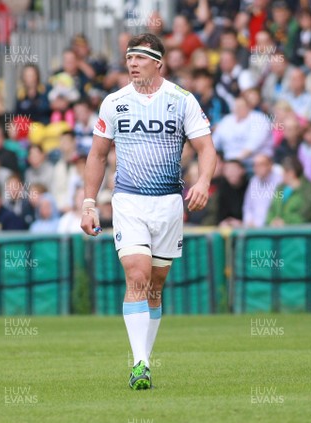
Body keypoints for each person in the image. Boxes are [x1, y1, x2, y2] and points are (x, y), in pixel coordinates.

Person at [81, 33, 216, 390]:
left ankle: (145, 358)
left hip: (169, 203)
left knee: (155, 285)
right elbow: (96, 155)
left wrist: (202, 182)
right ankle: (140, 364)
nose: (132, 64)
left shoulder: (181, 100)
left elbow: (206, 147)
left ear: (158, 62)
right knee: (137, 275)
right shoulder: (114, 102)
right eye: (128, 58)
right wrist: (89, 203)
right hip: (128, 201)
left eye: (139, 58)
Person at [266, 156, 311, 226]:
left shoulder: (308, 190)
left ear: (291, 173)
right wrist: (272, 221)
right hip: (276, 232)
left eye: (284, 172)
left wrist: (285, 222)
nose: (282, 175)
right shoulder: (280, 188)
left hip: (297, 233)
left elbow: (306, 215)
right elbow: (271, 209)